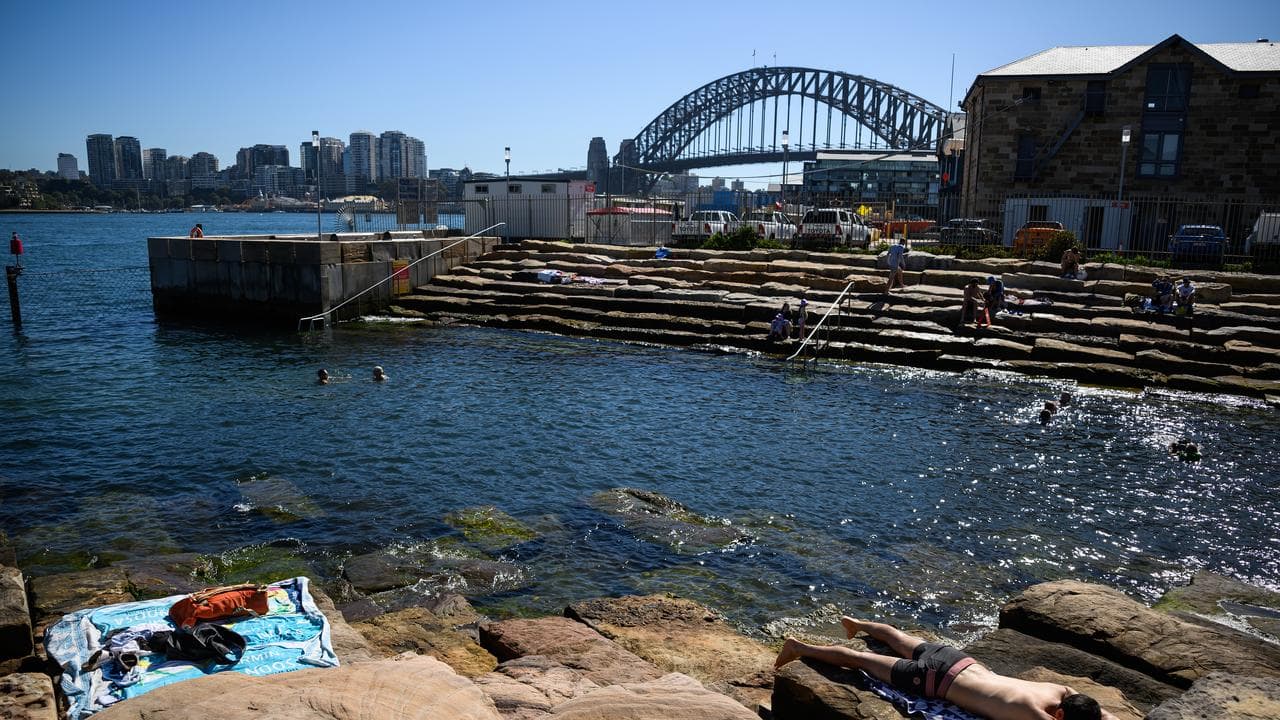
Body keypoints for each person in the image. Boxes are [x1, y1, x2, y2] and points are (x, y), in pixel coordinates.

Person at [775, 617, 1114, 720]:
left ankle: (858, 624)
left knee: (898, 636)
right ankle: (800, 648)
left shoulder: (1061, 693)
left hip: (958, 660)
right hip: (934, 681)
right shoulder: (1036, 714)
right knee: (861, 661)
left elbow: (1103, 714)